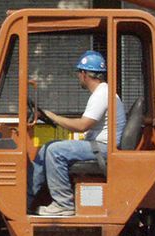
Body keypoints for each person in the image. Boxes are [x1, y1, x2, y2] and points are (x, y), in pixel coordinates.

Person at [27, 50, 126, 217]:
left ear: (84, 74)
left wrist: (53, 117)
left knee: (55, 151)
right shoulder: (103, 92)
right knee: (46, 148)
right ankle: (27, 199)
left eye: (79, 73)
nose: (78, 77)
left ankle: (64, 203)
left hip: (103, 149)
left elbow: (82, 125)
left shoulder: (102, 93)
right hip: (99, 146)